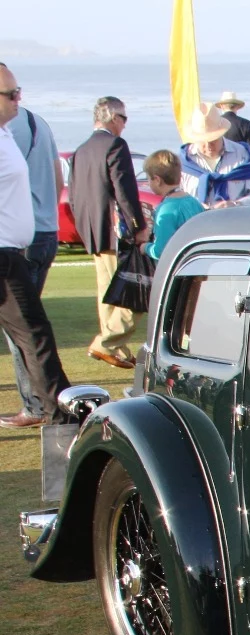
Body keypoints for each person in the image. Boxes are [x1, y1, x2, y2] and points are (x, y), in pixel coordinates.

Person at [0, 63, 73, 427]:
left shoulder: (12, 133)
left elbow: (58, 176)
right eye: (10, 95)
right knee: (32, 332)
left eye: (18, 92)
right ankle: (57, 410)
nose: (18, 100)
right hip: (5, 254)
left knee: (31, 332)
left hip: (19, 248)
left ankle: (56, 408)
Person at [69, 95, 147, 369]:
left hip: (93, 230)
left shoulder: (81, 150)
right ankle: (106, 343)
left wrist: (83, 229)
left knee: (107, 292)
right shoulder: (115, 145)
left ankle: (115, 347)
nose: (125, 124)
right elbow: (125, 191)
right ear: (114, 118)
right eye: (124, 118)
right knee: (129, 289)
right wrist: (138, 226)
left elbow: (75, 196)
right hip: (116, 230)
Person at [177, 103, 250, 207]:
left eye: (213, 140)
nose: (208, 145)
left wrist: (235, 204)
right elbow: (175, 201)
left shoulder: (242, 155)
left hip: (234, 221)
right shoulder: (183, 162)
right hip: (197, 222)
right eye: (203, 141)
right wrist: (196, 207)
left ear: (221, 133)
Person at [142, 150, 204, 260]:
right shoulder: (194, 202)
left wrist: (145, 247)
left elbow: (160, 251)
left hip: (179, 271)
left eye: (148, 179)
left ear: (157, 180)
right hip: (197, 264)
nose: (148, 183)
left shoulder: (166, 209)